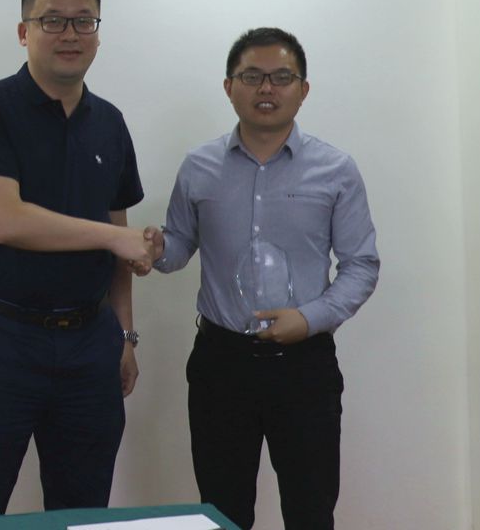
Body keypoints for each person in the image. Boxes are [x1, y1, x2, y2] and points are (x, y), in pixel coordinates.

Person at [144, 27, 380, 530]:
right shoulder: (199, 166)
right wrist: (157, 250)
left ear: (304, 89)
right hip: (221, 364)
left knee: (310, 510)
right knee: (222, 513)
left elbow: (361, 264)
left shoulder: (336, 169)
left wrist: (309, 319)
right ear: (229, 87)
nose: (266, 88)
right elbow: (179, 244)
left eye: (281, 77)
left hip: (305, 367)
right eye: (252, 76)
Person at [0, 0, 153, 518]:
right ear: (23, 31)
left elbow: (118, 238)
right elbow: (5, 220)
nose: (70, 34)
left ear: (98, 33)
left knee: (82, 510)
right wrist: (116, 239)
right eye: (52, 20)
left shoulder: (110, 122)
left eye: (84, 21)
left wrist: (125, 335)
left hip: (89, 341)